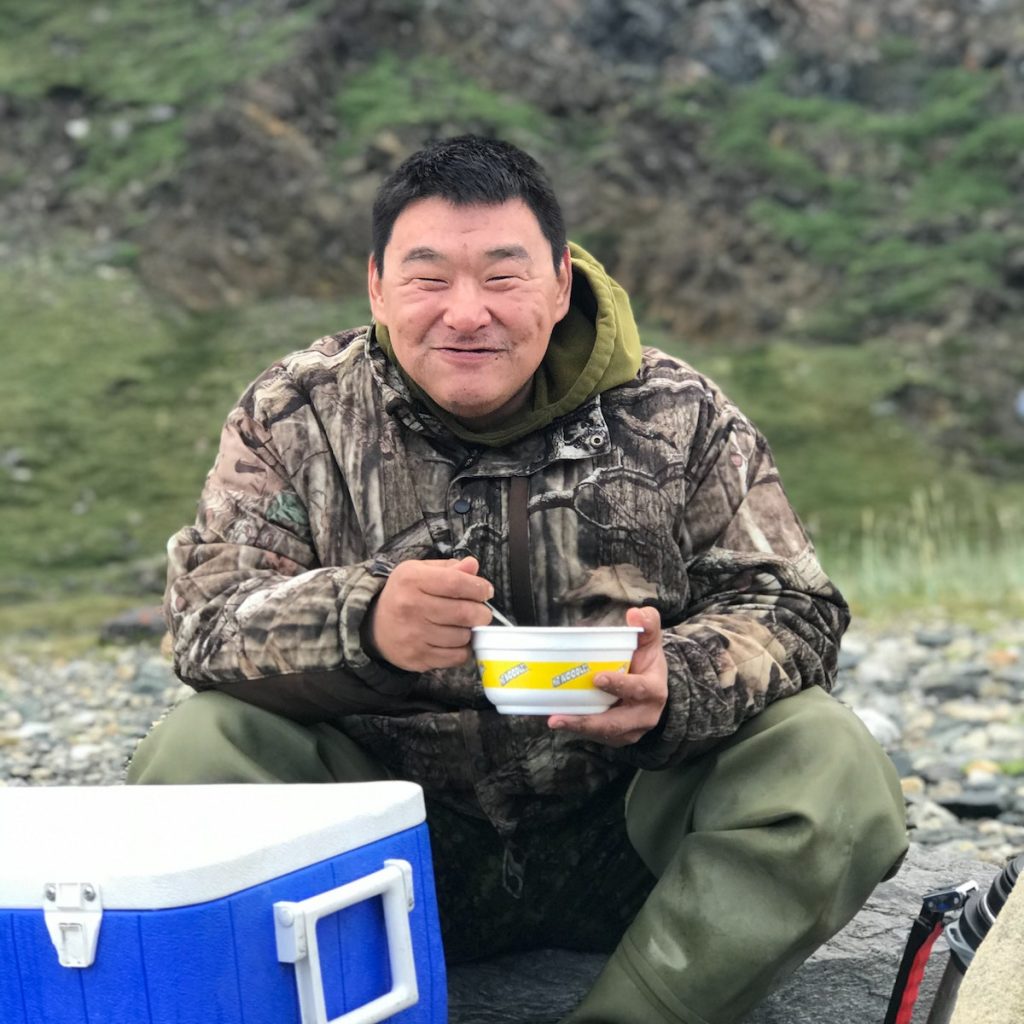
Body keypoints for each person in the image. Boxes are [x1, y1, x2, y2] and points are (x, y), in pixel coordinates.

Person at [128, 134, 908, 1023]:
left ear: (561, 282)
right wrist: (365, 623)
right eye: (429, 279)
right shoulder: (295, 413)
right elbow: (204, 622)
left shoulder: (678, 412)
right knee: (197, 749)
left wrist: (674, 682)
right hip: (380, 853)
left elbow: (795, 605)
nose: (467, 313)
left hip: (629, 838)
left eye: (503, 276)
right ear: (377, 286)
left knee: (830, 759)